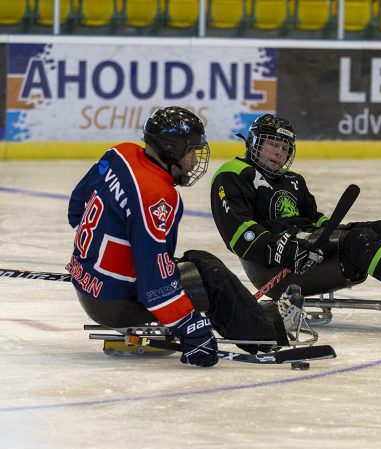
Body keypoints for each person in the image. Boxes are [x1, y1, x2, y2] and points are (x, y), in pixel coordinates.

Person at [67, 106, 302, 368]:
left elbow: (76, 208)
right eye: (192, 151)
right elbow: (154, 283)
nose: (194, 161)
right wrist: (190, 328)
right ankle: (267, 333)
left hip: (87, 282)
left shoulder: (120, 154)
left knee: (199, 260)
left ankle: (257, 315)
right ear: (172, 149)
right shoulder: (157, 196)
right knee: (210, 276)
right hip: (115, 304)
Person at [209, 114, 381, 308]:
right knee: (359, 241)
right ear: (254, 142)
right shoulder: (234, 174)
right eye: (272, 144)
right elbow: (239, 234)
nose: (279, 152)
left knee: (377, 229)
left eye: (284, 147)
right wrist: (284, 249)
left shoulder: (293, 180)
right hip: (272, 267)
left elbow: (314, 220)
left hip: (305, 249)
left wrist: (338, 231)